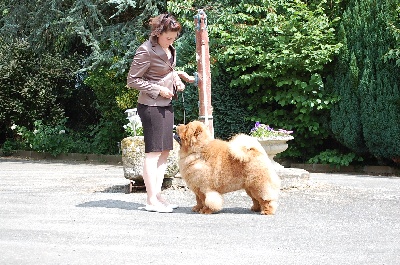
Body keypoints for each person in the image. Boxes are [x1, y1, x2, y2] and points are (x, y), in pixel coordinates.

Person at [127, 13, 195, 213]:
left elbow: (166, 71)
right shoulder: (145, 51)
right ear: (157, 33)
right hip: (151, 106)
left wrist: (177, 80)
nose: (171, 41)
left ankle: (157, 195)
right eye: (168, 38)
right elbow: (132, 80)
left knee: (165, 151)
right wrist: (158, 90)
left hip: (165, 104)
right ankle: (150, 200)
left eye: (174, 38)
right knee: (153, 153)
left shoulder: (169, 48)